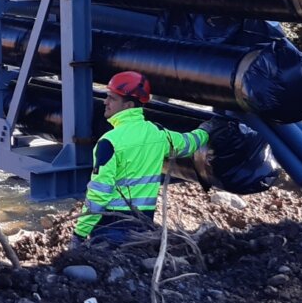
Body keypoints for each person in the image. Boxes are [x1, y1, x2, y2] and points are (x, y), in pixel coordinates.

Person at [72, 71, 210, 248]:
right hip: (143, 226)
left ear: (128, 105)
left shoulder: (109, 142)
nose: (105, 102)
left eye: (112, 98)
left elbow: (99, 195)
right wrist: (207, 131)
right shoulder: (158, 134)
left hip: (111, 226)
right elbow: (188, 143)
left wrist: (80, 233)